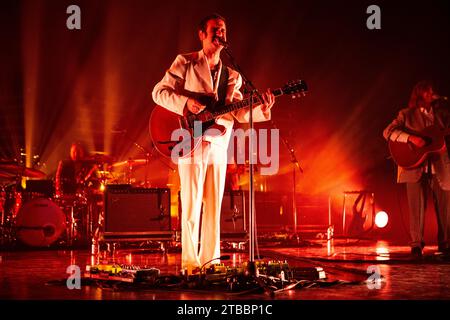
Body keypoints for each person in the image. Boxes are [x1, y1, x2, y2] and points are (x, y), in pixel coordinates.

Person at [152, 14, 275, 273]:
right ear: (202, 34)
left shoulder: (233, 75)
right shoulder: (185, 62)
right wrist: (186, 103)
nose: (220, 33)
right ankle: (189, 263)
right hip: (188, 139)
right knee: (191, 204)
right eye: (215, 29)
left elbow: (238, 112)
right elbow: (159, 92)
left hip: (218, 143)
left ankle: (211, 262)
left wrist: (262, 110)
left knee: (213, 205)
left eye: (223, 29)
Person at [383, 80, 450, 258]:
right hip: (413, 165)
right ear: (419, 95)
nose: (432, 94)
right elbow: (387, 132)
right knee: (416, 207)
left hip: (439, 166)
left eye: (432, 92)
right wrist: (411, 138)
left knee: (445, 206)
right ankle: (416, 244)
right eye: (428, 92)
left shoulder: (442, 114)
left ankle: (445, 243)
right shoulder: (406, 114)